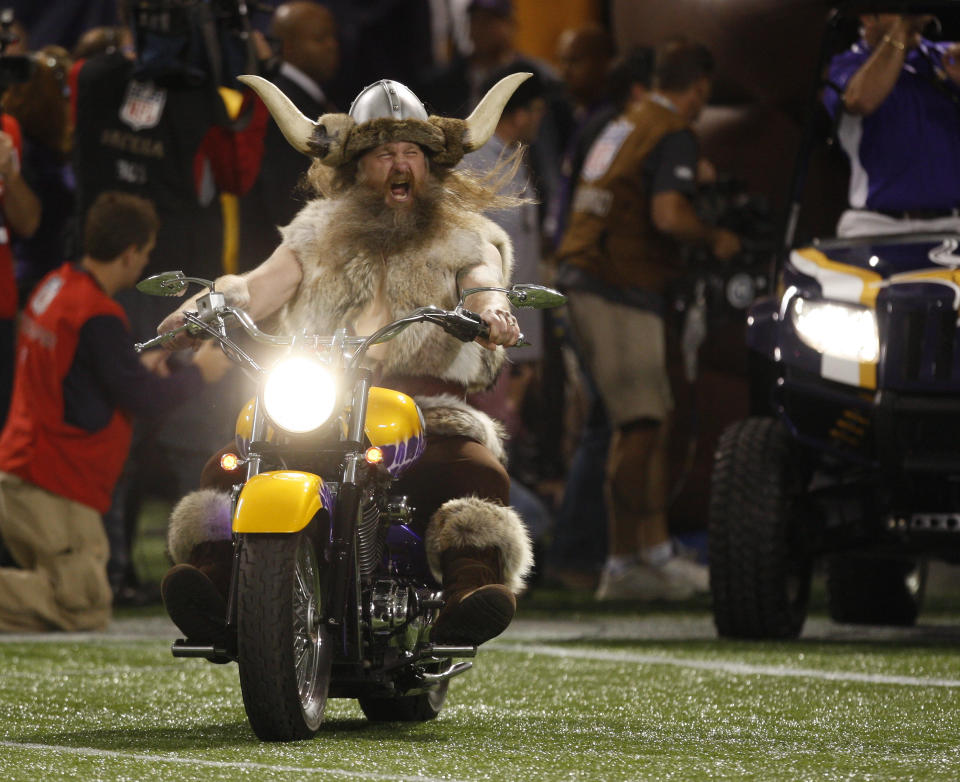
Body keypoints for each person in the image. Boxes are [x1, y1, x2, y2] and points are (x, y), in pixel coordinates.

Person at [156, 72, 534, 648]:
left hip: (423, 405)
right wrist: (206, 306)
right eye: (385, 153)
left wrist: (491, 309)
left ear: (430, 166)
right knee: (228, 467)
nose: (400, 164)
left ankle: (466, 591)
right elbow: (258, 288)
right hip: (319, 396)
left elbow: (482, 281)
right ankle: (214, 585)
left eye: (412, 152)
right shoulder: (315, 231)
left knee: (473, 472)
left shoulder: (466, 235)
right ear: (358, 167)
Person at [555, 38, 741, 602]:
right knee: (640, 425)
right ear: (699, 89)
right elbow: (667, 213)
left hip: (593, 274)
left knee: (640, 423)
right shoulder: (670, 129)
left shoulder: (627, 119)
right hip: (616, 281)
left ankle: (641, 555)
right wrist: (716, 237)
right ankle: (629, 559)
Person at [0, 192, 231, 632]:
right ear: (130, 254)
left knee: (76, 596)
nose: (144, 264)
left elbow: (76, 376)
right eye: (145, 253)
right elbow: (142, 398)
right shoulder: (98, 313)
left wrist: (132, 369)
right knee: (82, 605)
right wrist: (201, 373)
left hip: (24, 473)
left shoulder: (57, 286)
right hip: (52, 487)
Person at [824, 13, 960, 238]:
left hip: (953, 224)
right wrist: (902, 28)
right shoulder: (847, 65)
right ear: (868, 16)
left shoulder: (946, 58)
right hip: (877, 226)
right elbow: (860, 100)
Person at [238, 1, 340, 271]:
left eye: (332, 36)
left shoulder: (305, 99)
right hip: (281, 259)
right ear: (288, 47)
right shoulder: (285, 106)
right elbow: (286, 194)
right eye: (319, 38)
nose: (332, 45)